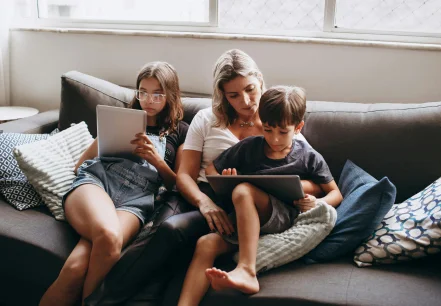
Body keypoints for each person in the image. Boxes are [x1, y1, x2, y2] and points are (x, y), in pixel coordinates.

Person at [83, 49, 323, 305]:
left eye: (251, 89)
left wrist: (298, 191)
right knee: (169, 231)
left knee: (180, 239)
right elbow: (184, 175)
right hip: (198, 196)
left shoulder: (277, 119)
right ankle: (100, 299)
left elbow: (310, 174)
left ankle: (100, 300)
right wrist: (204, 203)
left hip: (245, 206)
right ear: (222, 95)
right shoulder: (207, 119)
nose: (246, 100)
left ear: (261, 81)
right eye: (233, 95)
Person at [177, 85, 343, 306]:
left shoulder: (307, 156)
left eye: (283, 132)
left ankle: (247, 270)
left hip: (283, 218)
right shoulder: (249, 147)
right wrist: (226, 178)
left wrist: (316, 202)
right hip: (246, 220)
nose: (274, 139)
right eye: (267, 129)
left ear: (298, 127)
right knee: (206, 244)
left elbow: (335, 193)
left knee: (244, 190)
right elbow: (210, 171)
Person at [39, 61, 188, 306]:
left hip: (135, 201)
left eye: (157, 94)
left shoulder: (180, 131)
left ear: (171, 95)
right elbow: (80, 165)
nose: (148, 100)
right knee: (107, 235)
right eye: (143, 92)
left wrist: (157, 161)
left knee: (76, 267)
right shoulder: (121, 118)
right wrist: (109, 136)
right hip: (98, 184)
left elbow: (178, 184)